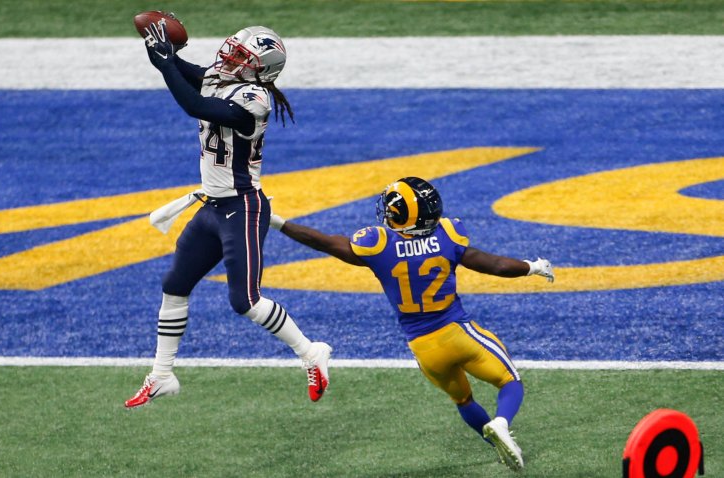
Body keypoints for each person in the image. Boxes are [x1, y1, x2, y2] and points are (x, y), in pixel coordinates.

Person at [270, 177, 555, 471]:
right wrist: (531, 267)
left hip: (424, 349)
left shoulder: (378, 245)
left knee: (464, 400)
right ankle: (501, 423)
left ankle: (498, 440)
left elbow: (322, 242)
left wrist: (278, 222)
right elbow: (493, 265)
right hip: (458, 332)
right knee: (510, 381)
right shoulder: (448, 233)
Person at [125, 19, 331, 408]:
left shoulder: (255, 100)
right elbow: (180, 71)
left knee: (246, 300)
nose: (228, 57)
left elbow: (194, 105)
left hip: (243, 207)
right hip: (214, 205)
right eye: (233, 50)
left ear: (259, 69)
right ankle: (162, 374)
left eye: (240, 56)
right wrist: (159, 50)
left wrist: (168, 63)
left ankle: (311, 352)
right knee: (175, 285)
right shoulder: (223, 80)